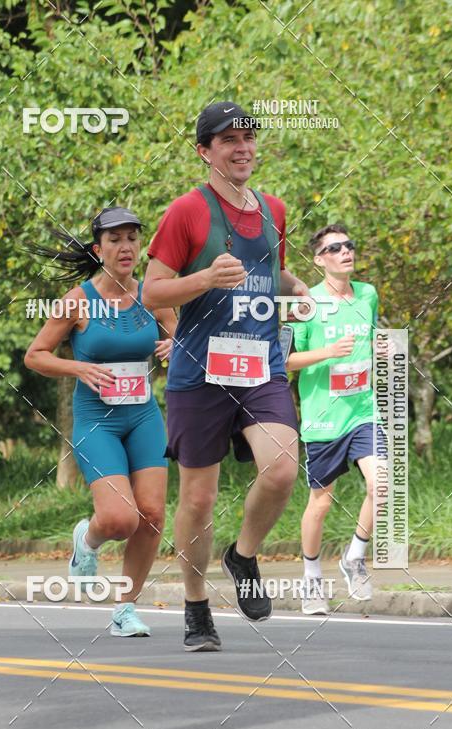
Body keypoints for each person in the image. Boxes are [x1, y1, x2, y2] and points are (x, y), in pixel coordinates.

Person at [143, 101, 310, 651]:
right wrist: (205, 280)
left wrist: (297, 289)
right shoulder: (186, 212)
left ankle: (241, 556)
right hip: (199, 370)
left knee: (283, 468)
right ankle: (195, 607)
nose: (243, 147)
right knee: (197, 500)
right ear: (204, 151)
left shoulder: (274, 209)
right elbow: (152, 289)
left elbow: (271, 270)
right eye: (229, 139)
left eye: (249, 137)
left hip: (259, 363)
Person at [25, 207, 176, 636]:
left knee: (151, 514)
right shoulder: (77, 301)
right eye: (115, 240)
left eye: (132, 238)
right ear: (99, 249)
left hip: (144, 416)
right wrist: (79, 370)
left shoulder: (154, 296)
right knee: (119, 520)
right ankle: (86, 541)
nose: (125, 246)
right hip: (97, 421)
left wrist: (175, 349)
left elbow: (180, 339)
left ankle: (124, 609)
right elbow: (35, 355)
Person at [287, 223, 385, 614]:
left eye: (349, 245)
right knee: (321, 504)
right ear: (319, 259)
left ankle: (353, 557)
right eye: (335, 248)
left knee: (383, 486)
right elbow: (286, 360)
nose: (346, 252)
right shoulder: (307, 303)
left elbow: (375, 335)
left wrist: (379, 347)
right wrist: (328, 352)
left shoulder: (368, 294)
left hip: (363, 410)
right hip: (323, 418)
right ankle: (312, 578)